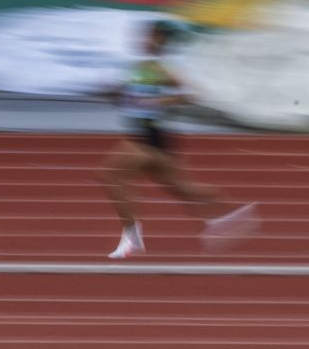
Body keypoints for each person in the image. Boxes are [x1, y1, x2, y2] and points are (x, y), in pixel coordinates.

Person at [102, 21, 259, 260]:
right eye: (145, 36)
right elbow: (132, 98)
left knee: (111, 175)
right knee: (182, 189)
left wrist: (161, 102)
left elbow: (189, 94)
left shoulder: (163, 69)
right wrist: (117, 95)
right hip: (152, 138)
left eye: (151, 37)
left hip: (148, 137)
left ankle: (132, 237)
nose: (144, 40)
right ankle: (233, 211)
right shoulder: (142, 67)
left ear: (161, 41)